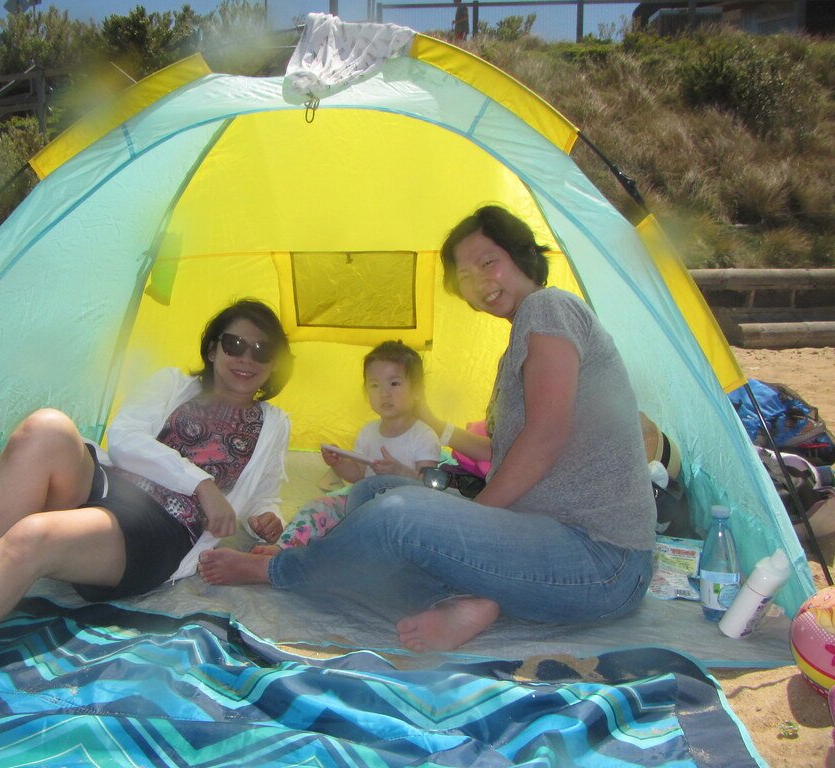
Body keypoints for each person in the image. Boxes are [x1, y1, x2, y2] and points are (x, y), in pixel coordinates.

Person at [199, 207, 657, 653]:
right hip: (543, 539)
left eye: (488, 262)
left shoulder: (548, 308)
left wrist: (473, 514)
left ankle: (281, 570)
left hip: (600, 560)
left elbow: (546, 436)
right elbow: (503, 451)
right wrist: (448, 467)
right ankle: (467, 600)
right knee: (373, 491)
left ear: (520, 255)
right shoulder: (522, 338)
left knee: (399, 515)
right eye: (466, 275)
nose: (480, 282)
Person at [0, 298, 293, 712]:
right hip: (107, 480)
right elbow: (124, 439)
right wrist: (203, 484)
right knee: (45, 427)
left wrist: (266, 517)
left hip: (161, 527)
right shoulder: (172, 383)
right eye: (234, 344)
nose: (245, 358)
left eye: (261, 351)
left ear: (274, 366)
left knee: (32, 537)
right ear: (212, 349)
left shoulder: (274, 423)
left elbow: (264, 492)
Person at [265, 340, 439, 552]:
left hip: (400, 511)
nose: (385, 393)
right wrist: (339, 463)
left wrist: (398, 472)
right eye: (375, 385)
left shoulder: (424, 435)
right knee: (318, 507)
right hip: (362, 502)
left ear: (417, 390)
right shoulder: (368, 431)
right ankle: (282, 549)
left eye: (394, 384)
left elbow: (429, 489)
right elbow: (357, 476)